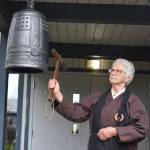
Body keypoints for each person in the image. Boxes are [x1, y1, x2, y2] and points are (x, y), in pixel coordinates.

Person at [48, 58, 149, 150]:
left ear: (128, 78)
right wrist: (58, 93)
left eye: (118, 71)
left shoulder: (133, 101)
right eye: (112, 70)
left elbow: (142, 129)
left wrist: (115, 131)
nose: (113, 73)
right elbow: (76, 113)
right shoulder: (97, 98)